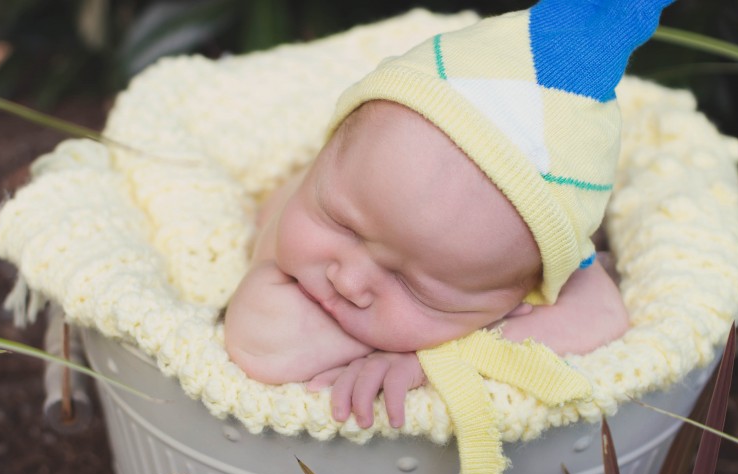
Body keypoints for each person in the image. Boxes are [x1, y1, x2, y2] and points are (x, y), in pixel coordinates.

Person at [225, 0, 674, 430]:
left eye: (415, 288)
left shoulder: (543, 256)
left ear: (524, 293)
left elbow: (602, 316)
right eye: (342, 223)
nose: (349, 282)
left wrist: (438, 356)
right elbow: (263, 343)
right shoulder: (330, 198)